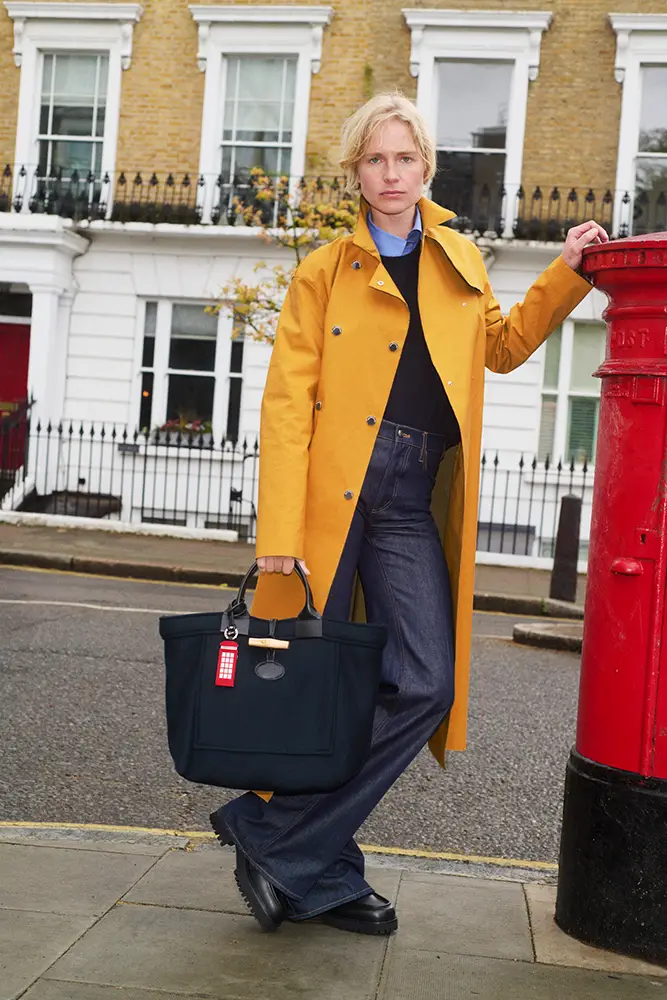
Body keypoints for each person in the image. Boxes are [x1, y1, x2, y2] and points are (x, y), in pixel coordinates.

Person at [210, 92, 608, 935]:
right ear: (355, 172)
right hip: (331, 492)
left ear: (426, 165)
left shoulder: (459, 258)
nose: (390, 174)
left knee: (425, 682)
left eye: (403, 158)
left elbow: (502, 348)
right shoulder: (323, 272)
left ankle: (276, 834)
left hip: (406, 495)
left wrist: (567, 270)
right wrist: (278, 535)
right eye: (374, 160)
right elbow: (285, 405)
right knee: (322, 686)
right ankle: (317, 865)